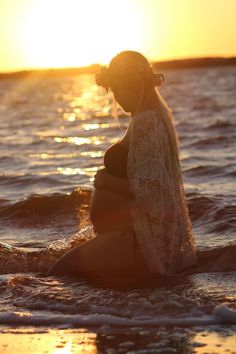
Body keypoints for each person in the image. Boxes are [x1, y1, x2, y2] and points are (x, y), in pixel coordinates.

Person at [48, 50, 197, 284]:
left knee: (59, 272)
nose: (116, 97)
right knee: (83, 281)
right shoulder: (151, 118)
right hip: (132, 237)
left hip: (139, 242)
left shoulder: (147, 122)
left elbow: (152, 192)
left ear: (135, 84)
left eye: (118, 88)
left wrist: (104, 181)